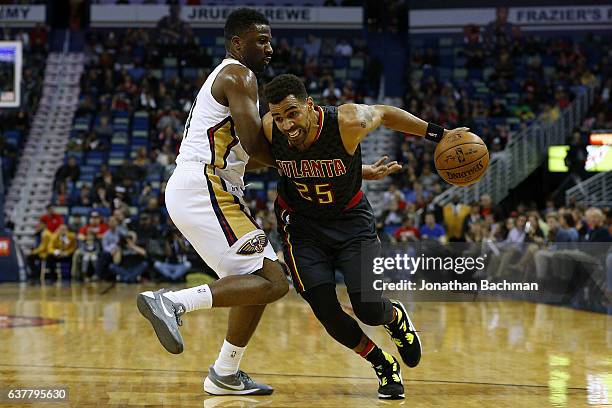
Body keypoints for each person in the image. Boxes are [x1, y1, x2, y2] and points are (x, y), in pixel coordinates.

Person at [261, 73, 467, 399]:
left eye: (292, 113)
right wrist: (359, 170)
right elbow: (284, 162)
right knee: (327, 312)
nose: (286, 124)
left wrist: (440, 135)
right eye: (279, 117)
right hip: (302, 229)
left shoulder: (346, 121)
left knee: (370, 308)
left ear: (310, 106)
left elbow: (385, 112)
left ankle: (395, 318)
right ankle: (382, 363)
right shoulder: (270, 129)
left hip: (351, 224)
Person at [136, 9, 287, 396]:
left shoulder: (232, 78)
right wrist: (307, 160)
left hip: (207, 188)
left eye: (270, 40)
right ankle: (172, 302)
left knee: (258, 279)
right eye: (261, 40)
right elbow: (255, 145)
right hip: (205, 186)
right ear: (237, 43)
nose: (269, 47)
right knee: (273, 280)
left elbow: (249, 157)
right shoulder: (239, 74)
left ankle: (225, 373)